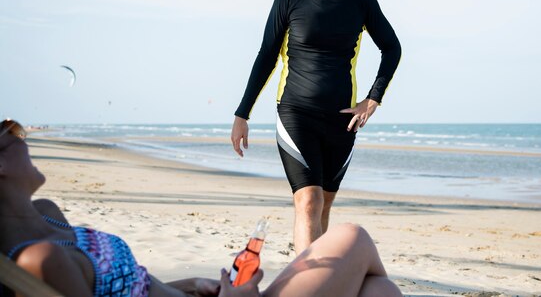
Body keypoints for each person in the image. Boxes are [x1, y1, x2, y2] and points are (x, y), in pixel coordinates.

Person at [0, 119, 402, 297]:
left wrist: (193, 283)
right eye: (13, 135)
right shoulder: (39, 257)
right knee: (351, 236)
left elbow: (132, 288)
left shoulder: (49, 212)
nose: (24, 139)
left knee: (379, 290)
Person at [231, 0, 402, 254]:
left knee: (323, 206)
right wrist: (242, 113)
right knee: (307, 201)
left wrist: (372, 99)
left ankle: (318, 281)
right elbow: (267, 54)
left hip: (342, 119)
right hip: (296, 112)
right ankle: (305, 286)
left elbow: (392, 48)